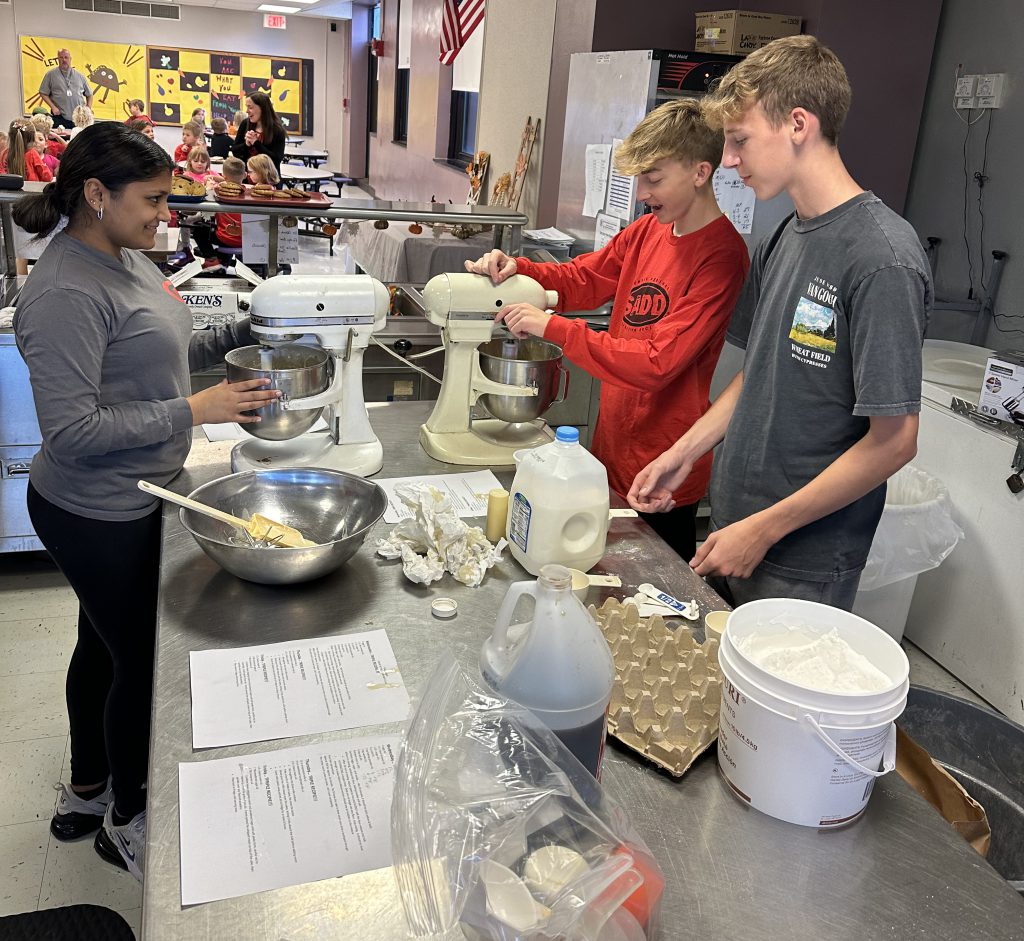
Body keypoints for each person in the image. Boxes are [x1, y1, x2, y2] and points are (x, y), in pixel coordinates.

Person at [12, 123, 280, 881]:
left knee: (100, 644)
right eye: (153, 200)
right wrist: (197, 410)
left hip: (133, 493)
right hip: (95, 508)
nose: (165, 213)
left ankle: (88, 788)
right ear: (95, 195)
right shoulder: (65, 290)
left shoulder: (122, 257)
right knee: (139, 660)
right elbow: (73, 430)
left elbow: (156, 347)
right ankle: (128, 819)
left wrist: (245, 330)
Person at [628, 36, 931, 610]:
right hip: (738, 525)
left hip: (804, 555)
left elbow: (895, 442)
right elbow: (760, 373)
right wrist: (684, 452)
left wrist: (765, 529)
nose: (730, 160)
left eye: (740, 141)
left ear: (798, 124)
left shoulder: (882, 258)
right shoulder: (784, 236)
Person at [465, 99, 749, 560]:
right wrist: (517, 268)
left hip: (665, 466)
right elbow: (585, 279)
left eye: (653, 178)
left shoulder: (722, 256)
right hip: (611, 448)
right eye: (638, 179)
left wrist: (554, 328)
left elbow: (657, 363)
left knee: (653, 596)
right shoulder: (647, 231)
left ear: (700, 173)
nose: (641, 193)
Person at [37, 47, 94, 130]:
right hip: (60, 117)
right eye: (61, 57)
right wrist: (53, 107)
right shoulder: (50, 75)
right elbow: (43, 92)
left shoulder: (80, 76)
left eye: (66, 57)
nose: (64, 60)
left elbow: (90, 94)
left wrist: (88, 109)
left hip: (79, 119)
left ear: (70, 59)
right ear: (58, 59)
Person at [231, 92, 286, 172]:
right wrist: (246, 144)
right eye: (247, 107)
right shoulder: (245, 124)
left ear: (262, 108)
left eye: (250, 107)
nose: (247, 111)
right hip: (246, 178)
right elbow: (235, 151)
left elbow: (276, 160)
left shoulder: (277, 130)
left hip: (268, 179)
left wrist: (256, 143)